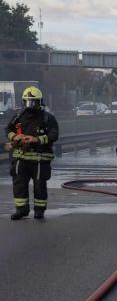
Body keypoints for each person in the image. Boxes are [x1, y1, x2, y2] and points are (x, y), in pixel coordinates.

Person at [5, 85, 59, 220]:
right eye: (28, 102)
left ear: (40, 102)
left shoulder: (47, 118)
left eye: (34, 102)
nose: (31, 105)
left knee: (39, 186)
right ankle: (21, 210)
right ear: (24, 102)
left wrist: (37, 139)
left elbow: (54, 134)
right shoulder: (18, 116)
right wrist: (15, 137)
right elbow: (8, 129)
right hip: (21, 158)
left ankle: (39, 211)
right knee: (19, 185)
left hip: (40, 159)